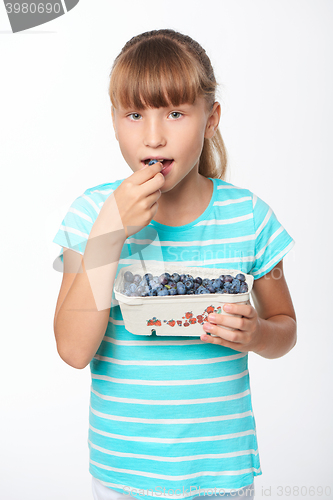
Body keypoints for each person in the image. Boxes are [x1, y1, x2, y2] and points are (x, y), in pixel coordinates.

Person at [53, 29, 297, 500]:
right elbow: (73, 349)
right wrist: (110, 233)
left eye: (176, 113)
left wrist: (259, 334)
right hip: (124, 473)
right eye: (134, 114)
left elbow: (286, 328)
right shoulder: (90, 215)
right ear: (114, 121)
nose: (153, 134)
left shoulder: (250, 217)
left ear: (211, 119)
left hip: (222, 474)